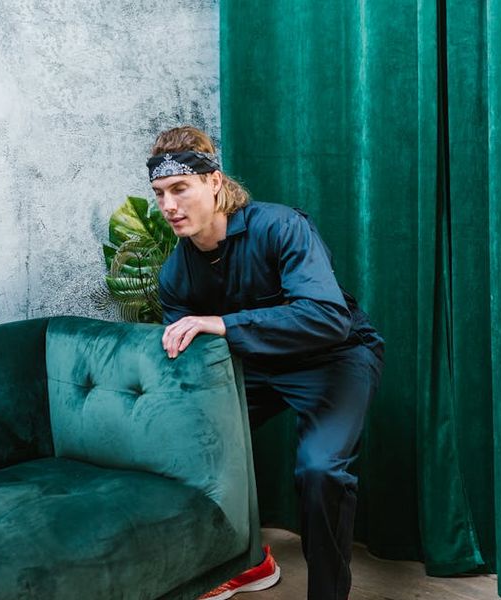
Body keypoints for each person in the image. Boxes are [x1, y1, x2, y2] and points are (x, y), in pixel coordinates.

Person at [149, 126, 384, 600]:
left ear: (214, 182)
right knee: (186, 442)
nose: (169, 205)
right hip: (255, 366)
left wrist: (222, 322)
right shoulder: (176, 273)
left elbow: (327, 317)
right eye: (159, 193)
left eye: (180, 188)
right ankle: (248, 561)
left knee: (321, 471)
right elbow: (192, 360)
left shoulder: (280, 226)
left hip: (334, 357)